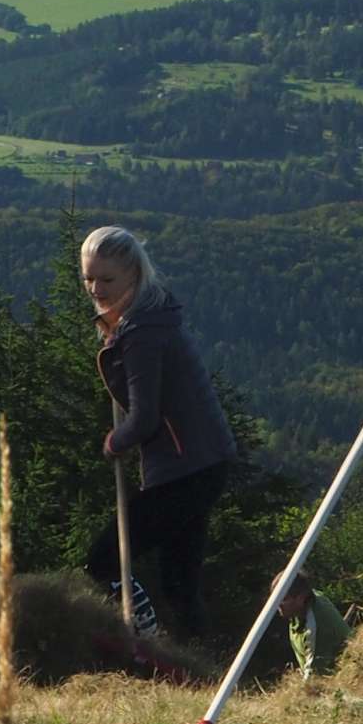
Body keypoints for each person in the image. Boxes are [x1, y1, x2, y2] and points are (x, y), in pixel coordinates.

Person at [81, 225, 235, 643]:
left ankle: (142, 640)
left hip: (186, 468)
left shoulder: (142, 334)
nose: (96, 288)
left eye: (107, 279)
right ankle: (200, 667)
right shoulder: (148, 318)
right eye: (89, 279)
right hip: (204, 461)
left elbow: (145, 417)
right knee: (179, 583)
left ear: (133, 274)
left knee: (104, 561)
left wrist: (116, 441)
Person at [274, 569, 351, 680]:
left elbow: (314, 678)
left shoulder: (315, 629)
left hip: (341, 679)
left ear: (301, 598)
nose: (277, 605)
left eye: (283, 599)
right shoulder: (301, 606)